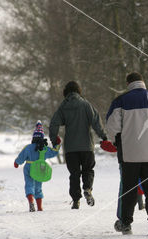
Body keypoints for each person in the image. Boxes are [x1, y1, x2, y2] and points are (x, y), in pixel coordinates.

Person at [106, 72, 148, 236]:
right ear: (143, 82)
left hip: (129, 154)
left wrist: (118, 142)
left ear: (128, 83)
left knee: (129, 188)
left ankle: (125, 223)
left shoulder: (120, 102)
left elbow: (112, 129)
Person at [49, 80, 114, 210]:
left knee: (74, 174)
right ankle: (87, 189)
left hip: (71, 148)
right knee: (88, 170)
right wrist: (103, 137)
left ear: (65, 92)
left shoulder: (63, 106)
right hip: (86, 147)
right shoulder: (86, 105)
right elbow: (96, 121)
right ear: (79, 91)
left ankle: (75, 200)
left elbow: (54, 124)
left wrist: (54, 139)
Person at [14, 121, 60, 212]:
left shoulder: (28, 147)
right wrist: (57, 144)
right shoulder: (45, 149)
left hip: (29, 167)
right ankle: (39, 207)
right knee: (38, 187)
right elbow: (55, 151)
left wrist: (17, 163)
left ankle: (31, 201)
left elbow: (21, 157)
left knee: (29, 185)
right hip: (40, 168)